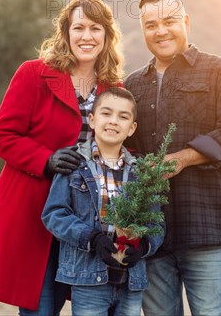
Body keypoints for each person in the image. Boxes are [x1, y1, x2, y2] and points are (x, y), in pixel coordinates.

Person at [0, 0, 124, 315]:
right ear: (66, 32)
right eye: (79, 27)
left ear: (107, 35)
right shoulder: (33, 74)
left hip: (87, 220)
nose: (87, 36)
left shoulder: (115, 88)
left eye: (96, 28)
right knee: (41, 308)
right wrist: (45, 160)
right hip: (34, 211)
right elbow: (1, 137)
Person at [124, 0, 221, 316]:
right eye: (151, 24)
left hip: (206, 228)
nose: (161, 30)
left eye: (169, 21)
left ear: (186, 22)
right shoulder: (132, 85)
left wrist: (182, 158)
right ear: (143, 31)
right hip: (151, 235)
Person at [42, 87, 164, 316]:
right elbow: (54, 214)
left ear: (132, 128)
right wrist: (92, 238)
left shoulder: (142, 173)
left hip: (131, 280)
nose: (113, 121)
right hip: (88, 280)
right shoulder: (74, 165)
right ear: (92, 119)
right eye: (106, 113)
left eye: (123, 116)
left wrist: (144, 246)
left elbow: (156, 223)